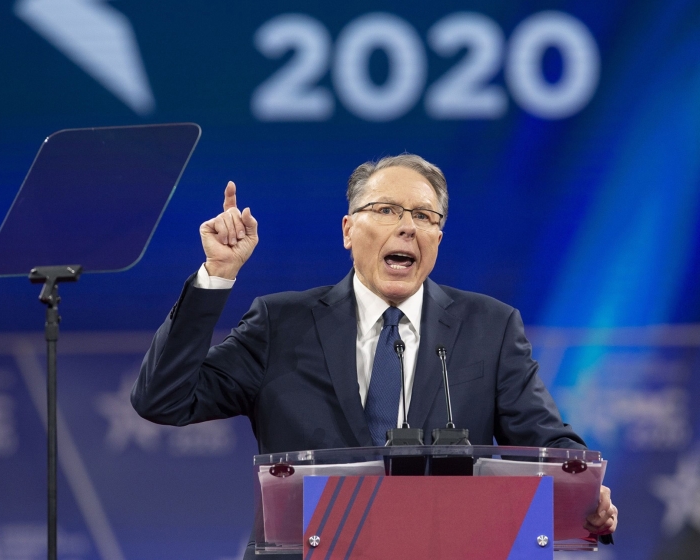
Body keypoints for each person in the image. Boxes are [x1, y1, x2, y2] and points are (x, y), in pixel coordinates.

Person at [131, 154, 617, 545]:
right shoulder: (281, 323)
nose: (407, 227)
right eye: (386, 210)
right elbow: (164, 399)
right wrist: (216, 277)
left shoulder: (489, 327)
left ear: (438, 239)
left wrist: (584, 490)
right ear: (347, 230)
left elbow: (547, 441)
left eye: (424, 216)